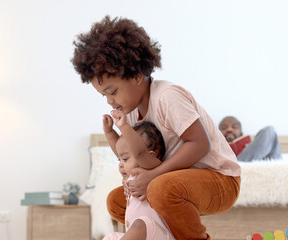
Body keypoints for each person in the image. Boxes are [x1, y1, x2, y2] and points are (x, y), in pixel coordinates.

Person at [72, 15, 241, 240]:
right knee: (116, 201)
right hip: (176, 181)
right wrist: (132, 173)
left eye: (113, 92)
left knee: (160, 189)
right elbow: (136, 155)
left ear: (136, 75)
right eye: (104, 95)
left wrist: (152, 176)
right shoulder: (130, 113)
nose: (110, 101)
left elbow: (200, 144)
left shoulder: (167, 96)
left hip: (219, 179)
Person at [103, 110, 174, 240]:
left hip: (156, 234)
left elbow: (140, 153)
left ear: (150, 156)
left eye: (124, 159)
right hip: (138, 235)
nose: (120, 164)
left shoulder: (151, 170)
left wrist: (124, 127)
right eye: (120, 160)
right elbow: (121, 149)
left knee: (141, 224)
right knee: (110, 237)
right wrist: (109, 132)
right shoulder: (131, 175)